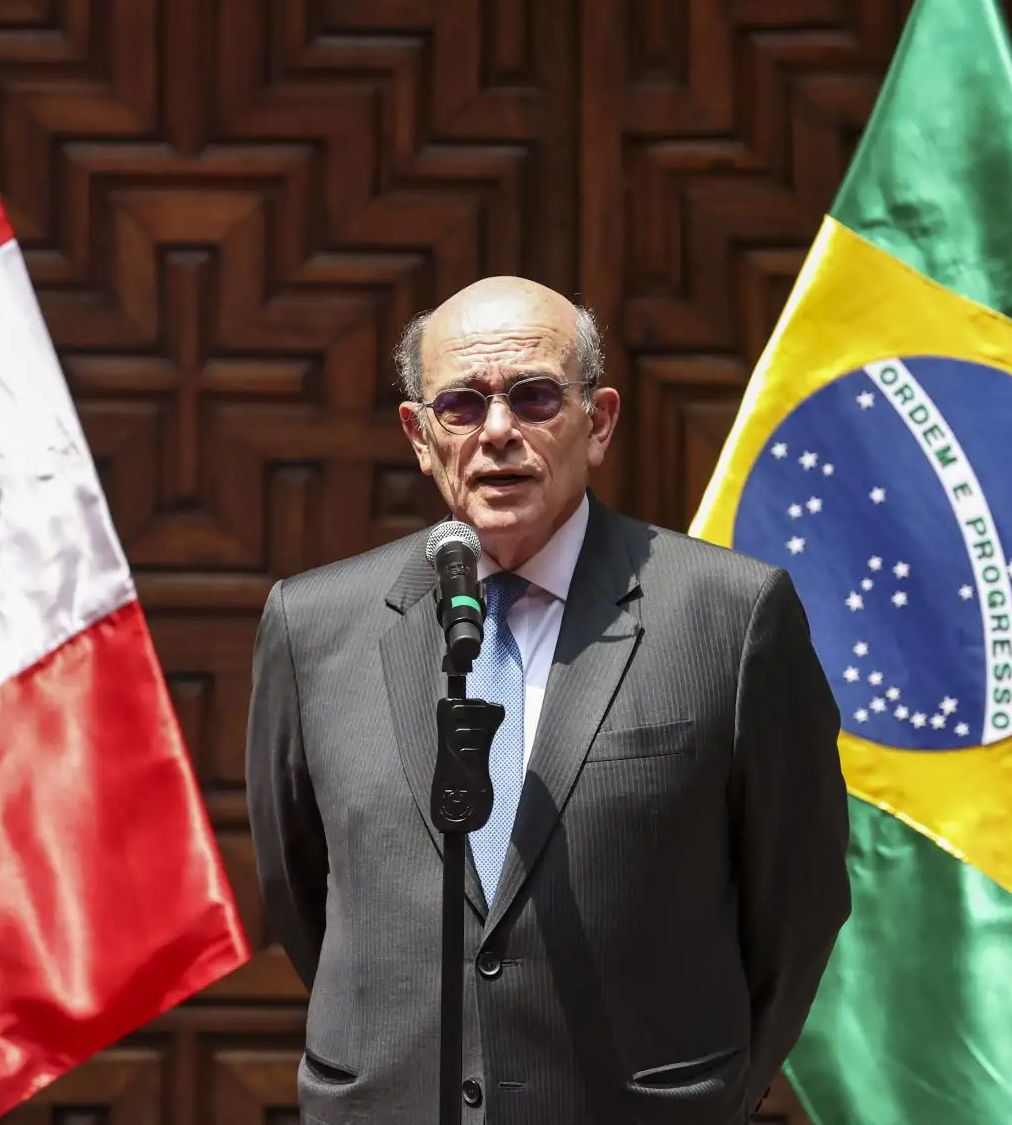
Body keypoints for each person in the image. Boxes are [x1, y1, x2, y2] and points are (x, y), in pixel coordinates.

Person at [245, 276, 850, 1123]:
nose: (497, 432)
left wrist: (716, 1097)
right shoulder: (312, 625)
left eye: (533, 397)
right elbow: (298, 882)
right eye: (461, 406)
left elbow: (798, 902)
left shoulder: (731, 616)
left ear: (597, 422)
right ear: (419, 436)